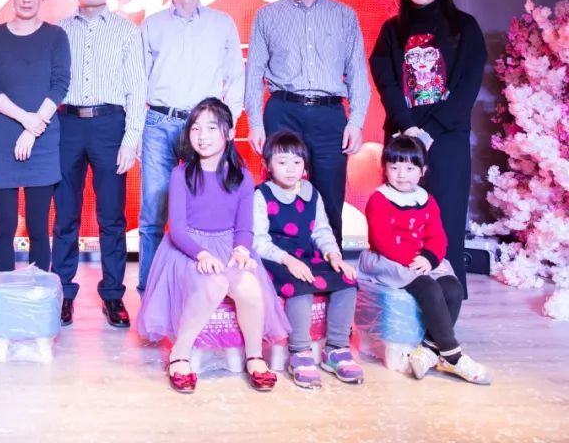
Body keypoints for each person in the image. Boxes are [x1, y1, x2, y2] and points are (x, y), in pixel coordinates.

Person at [136, 98, 289, 394]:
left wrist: (241, 249)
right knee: (214, 283)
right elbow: (177, 229)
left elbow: (244, 227)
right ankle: (180, 354)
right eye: (195, 128)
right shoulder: (181, 174)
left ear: (229, 133)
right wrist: (201, 254)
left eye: (211, 128)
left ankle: (254, 356)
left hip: (228, 246)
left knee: (249, 286)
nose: (202, 136)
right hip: (189, 249)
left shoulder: (242, 177)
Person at [369, 0, 487, 297]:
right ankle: (405, 293)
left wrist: (430, 131)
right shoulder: (392, 29)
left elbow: (467, 85)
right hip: (403, 137)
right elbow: (386, 80)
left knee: (446, 215)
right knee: (399, 214)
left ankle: (448, 296)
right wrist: (409, 128)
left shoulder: (464, 27)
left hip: (446, 136)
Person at [246, 0, 370, 246]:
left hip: (330, 115)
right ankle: (280, 263)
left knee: (330, 196)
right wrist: (255, 123)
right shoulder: (267, 15)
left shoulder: (344, 16)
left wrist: (356, 122)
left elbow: (357, 71)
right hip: (283, 111)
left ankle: (329, 265)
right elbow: (253, 74)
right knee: (279, 193)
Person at [138, 0, 244, 294]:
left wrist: (226, 125)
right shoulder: (152, 25)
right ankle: (151, 291)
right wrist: (135, 131)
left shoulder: (221, 24)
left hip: (205, 128)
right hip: (159, 123)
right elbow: (137, 82)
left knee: (205, 210)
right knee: (154, 213)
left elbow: (235, 77)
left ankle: (200, 287)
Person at [53, 0, 146, 328]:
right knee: (65, 214)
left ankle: (113, 295)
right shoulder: (58, 31)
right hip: (66, 125)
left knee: (112, 217)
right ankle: (62, 292)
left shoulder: (127, 31)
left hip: (110, 125)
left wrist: (131, 138)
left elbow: (137, 88)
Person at [359, 136, 492, 384]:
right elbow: (382, 240)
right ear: (384, 168)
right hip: (390, 261)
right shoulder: (379, 199)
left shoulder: (426, 199)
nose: (401, 175)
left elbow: (437, 236)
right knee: (428, 287)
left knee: (452, 287)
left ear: (423, 171)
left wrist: (429, 259)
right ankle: (452, 355)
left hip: (421, 259)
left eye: (410, 168)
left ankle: (430, 348)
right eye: (394, 167)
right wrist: (414, 261)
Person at [0, 0, 70, 273]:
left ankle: (37, 294)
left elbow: (60, 84)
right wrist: (24, 120)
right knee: (5, 227)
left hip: (42, 140)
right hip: (2, 138)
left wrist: (33, 129)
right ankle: (6, 294)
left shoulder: (56, 36)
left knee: (37, 227)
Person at [252, 130, 363, 389]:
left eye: (297, 162)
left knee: (347, 279)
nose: (290, 169)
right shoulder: (261, 195)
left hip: (306, 256)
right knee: (299, 284)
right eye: (282, 162)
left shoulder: (312, 192)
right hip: (275, 260)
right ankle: (300, 353)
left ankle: (336, 349)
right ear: (268, 165)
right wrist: (288, 261)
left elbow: (321, 231)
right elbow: (258, 241)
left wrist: (334, 255)